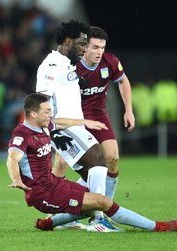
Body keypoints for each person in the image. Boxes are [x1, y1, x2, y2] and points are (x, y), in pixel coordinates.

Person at [6, 92, 177, 233]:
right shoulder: (22, 134)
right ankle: (158, 226)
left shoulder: (43, 125)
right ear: (33, 114)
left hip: (54, 184)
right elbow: (12, 158)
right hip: (42, 194)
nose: (50, 115)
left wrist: (84, 122)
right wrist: (16, 179)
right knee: (102, 203)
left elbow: (58, 123)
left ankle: (48, 224)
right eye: (47, 111)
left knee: (91, 203)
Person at [34, 19, 116, 231]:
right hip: (64, 128)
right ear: (68, 41)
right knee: (99, 159)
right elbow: (42, 100)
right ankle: (98, 220)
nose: (84, 49)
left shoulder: (67, 64)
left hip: (73, 127)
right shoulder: (51, 65)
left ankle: (60, 217)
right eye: (82, 44)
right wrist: (47, 129)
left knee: (90, 175)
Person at [52, 26, 135, 201]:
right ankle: (54, 210)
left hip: (98, 116)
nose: (100, 52)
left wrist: (128, 110)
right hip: (74, 118)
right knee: (60, 163)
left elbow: (123, 81)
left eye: (102, 47)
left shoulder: (110, 62)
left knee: (112, 158)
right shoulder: (71, 66)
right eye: (95, 47)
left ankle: (106, 207)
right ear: (85, 46)